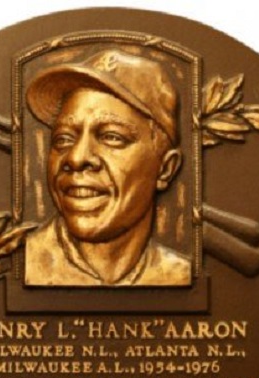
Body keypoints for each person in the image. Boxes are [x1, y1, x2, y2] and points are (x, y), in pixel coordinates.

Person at [25, 49, 191, 286]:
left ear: (166, 168)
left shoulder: (179, 275)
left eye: (112, 137)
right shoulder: (21, 264)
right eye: (63, 139)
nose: (76, 157)